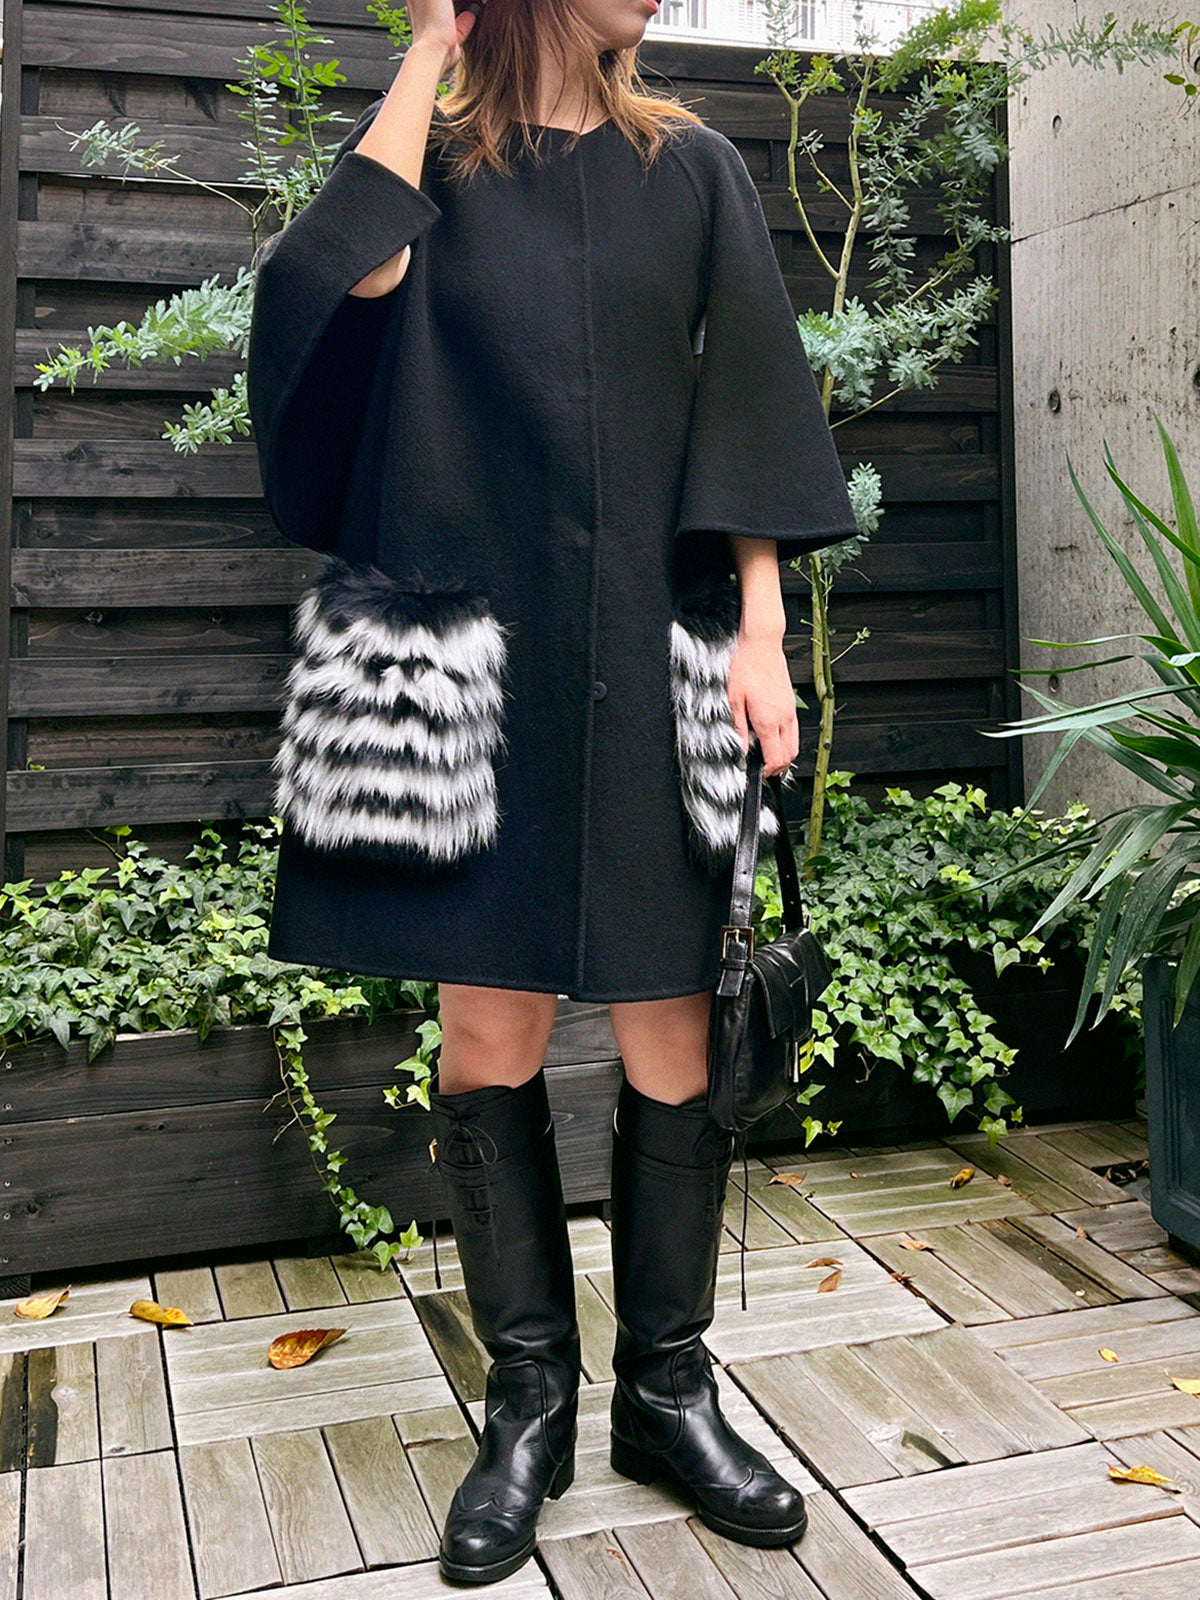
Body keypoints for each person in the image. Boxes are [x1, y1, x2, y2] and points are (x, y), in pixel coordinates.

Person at [247, 0, 859, 1585]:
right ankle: (529, 1408)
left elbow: (753, 400)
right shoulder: (438, 166)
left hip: (655, 642)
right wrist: (430, 45)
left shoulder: (695, 167)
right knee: (489, 1030)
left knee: (675, 1031)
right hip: (487, 659)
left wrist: (765, 636)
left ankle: (668, 1393)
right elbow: (335, 279)